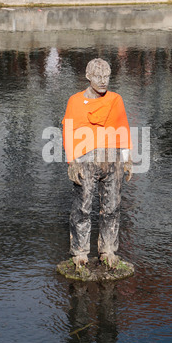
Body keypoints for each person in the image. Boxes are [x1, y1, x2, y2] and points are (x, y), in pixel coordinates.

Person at [62, 58, 132, 270]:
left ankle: (108, 249)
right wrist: (71, 161)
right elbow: (69, 131)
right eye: (98, 77)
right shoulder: (75, 101)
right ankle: (80, 252)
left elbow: (123, 127)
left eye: (107, 77)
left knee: (112, 207)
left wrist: (127, 158)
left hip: (113, 160)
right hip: (86, 160)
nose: (103, 81)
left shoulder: (115, 99)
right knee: (82, 208)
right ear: (88, 76)